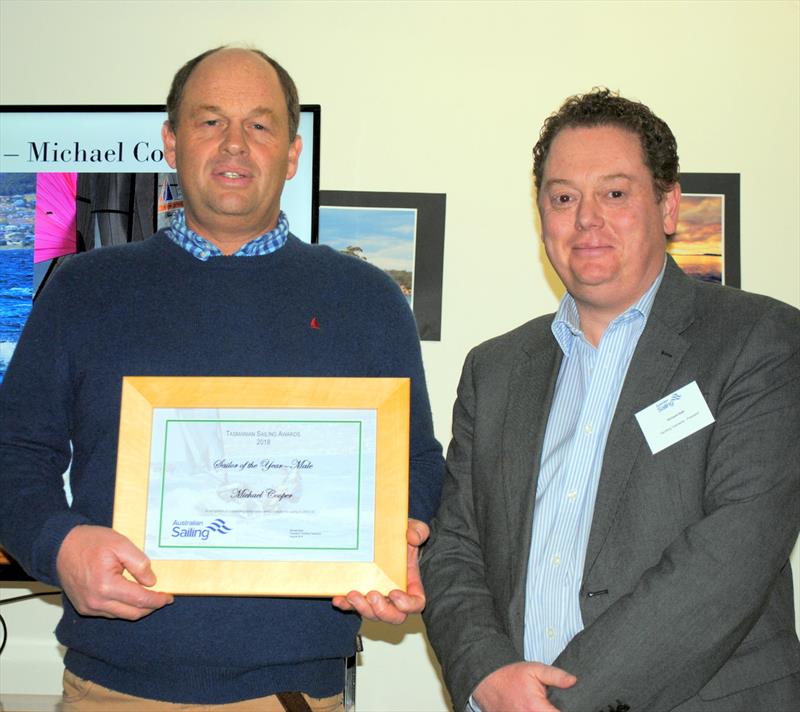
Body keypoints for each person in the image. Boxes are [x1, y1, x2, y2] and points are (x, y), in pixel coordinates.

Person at [0, 46, 443, 710]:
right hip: (110, 692)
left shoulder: (367, 298)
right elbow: (14, 455)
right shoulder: (83, 289)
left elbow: (415, 461)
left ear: (292, 153)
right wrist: (58, 546)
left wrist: (394, 538)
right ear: (171, 143)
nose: (235, 144)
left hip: (295, 695)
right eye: (209, 122)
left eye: (260, 125)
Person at [420, 88, 800, 712]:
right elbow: (454, 546)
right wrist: (487, 674)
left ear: (669, 204)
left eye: (615, 194)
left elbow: (729, 558)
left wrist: (564, 702)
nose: (586, 218)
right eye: (563, 197)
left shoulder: (758, 340)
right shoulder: (493, 370)